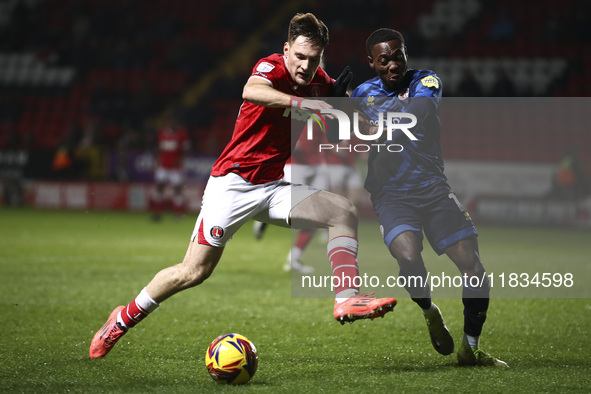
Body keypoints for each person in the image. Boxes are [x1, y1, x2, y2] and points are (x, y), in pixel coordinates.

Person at [89, 13, 396, 359]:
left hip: (273, 186)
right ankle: (122, 318)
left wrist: (347, 105)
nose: (305, 66)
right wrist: (303, 103)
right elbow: (252, 90)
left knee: (343, 212)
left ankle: (346, 299)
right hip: (232, 185)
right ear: (286, 49)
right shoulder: (271, 68)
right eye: (299, 57)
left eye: (313, 60)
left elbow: (341, 123)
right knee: (194, 271)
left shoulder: (319, 83)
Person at [350, 28, 507, 367]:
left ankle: (471, 347)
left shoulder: (427, 81)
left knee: (474, 269)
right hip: (391, 193)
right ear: (372, 63)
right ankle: (429, 311)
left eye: (398, 56)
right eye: (384, 60)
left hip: (433, 189)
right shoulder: (362, 92)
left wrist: (374, 125)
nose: (393, 65)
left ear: (406, 53)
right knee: (407, 256)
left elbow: (417, 117)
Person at [150, 118, 190, 221]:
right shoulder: (162, 133)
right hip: (163, 165)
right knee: (159, 187)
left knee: (177, 189)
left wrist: (180, 160)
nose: (172, 123)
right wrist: (156, 162)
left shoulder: (181, 134)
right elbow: (158, 149)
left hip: (175, 168)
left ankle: (177, 214)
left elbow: (186, 149)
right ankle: (157, 213)